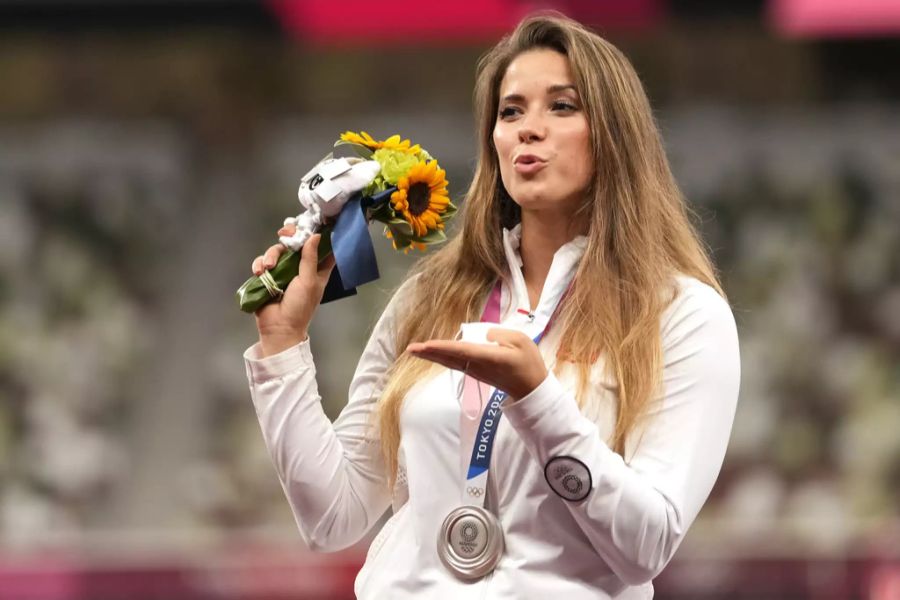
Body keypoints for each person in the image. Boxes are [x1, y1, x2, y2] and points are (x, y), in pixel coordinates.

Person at [244, 12, 740, 600]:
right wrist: (283, 345)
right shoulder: (430, 297)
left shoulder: (680, 314)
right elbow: (333, 516)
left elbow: (645, 548)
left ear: (614, 132)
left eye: (562, 106)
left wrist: (539, 400)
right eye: (510, 111)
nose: (528, 129)